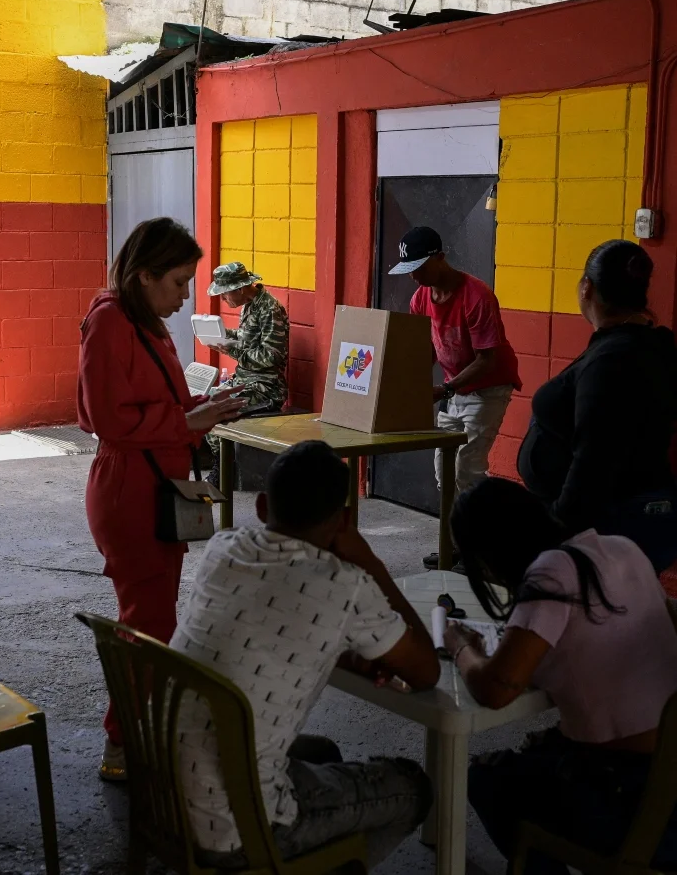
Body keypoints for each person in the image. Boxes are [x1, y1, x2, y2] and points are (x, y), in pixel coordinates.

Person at [171, 440, 439, 866]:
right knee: (415, 789)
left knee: (323, 753)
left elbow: (271, 624)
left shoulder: (223, 548)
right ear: (344, 521)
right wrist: (370, 562)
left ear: (261, 506)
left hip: (163, 793)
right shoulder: (347, 584)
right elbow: (426, 671)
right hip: (237, 830)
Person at [78, 218, 247, 781]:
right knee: (146, 623)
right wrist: (186, 418)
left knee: (153, 616)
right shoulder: (109, 322)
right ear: (144, 274)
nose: (184, 296)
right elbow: (101, 418)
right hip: (131, 490)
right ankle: (121, 743)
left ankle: (136, 730)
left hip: (156, 481)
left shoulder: (142, 320)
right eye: (177, 282)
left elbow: (154, 401)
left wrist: (204, 405)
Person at [444, 477, 677, 874]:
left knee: (488, 779)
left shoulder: (551, 573)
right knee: (543, 749)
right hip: (668, 781)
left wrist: (459, 646)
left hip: (635, 805)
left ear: (490, 552)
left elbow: (495, 689)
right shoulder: (621, 547)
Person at [519, 240, 677, 574]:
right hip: (630, 514)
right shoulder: (647, 345)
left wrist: (556, 530)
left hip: (608, 526)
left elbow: (595, 458)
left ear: (586, 287)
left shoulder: (612, 359)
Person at [393, 226, 521, 569]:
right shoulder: (421, 298)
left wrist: (445, 389)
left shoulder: (476, 296)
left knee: (467, 468)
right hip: (453, 389)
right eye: (409, 270)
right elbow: (426, 350)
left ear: (440, 258)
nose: (415, 276)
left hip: (487, 389)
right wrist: (407, 385)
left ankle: (486, 549)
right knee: (444, 471)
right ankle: (454, 546)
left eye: (420, 267)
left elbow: (487, 359)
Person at [204, 262, 290, 485]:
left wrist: (232, 350)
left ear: (240, 289)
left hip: (266, 387)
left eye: (225, 295)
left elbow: (272, 357)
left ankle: (223, 468)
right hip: (244, 380)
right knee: (205, 401)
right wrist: (221, 335)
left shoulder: (271, 309)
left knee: (217, 409)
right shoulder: (248, 305)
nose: (223, 300)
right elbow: (246, 340)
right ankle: (221, 461)